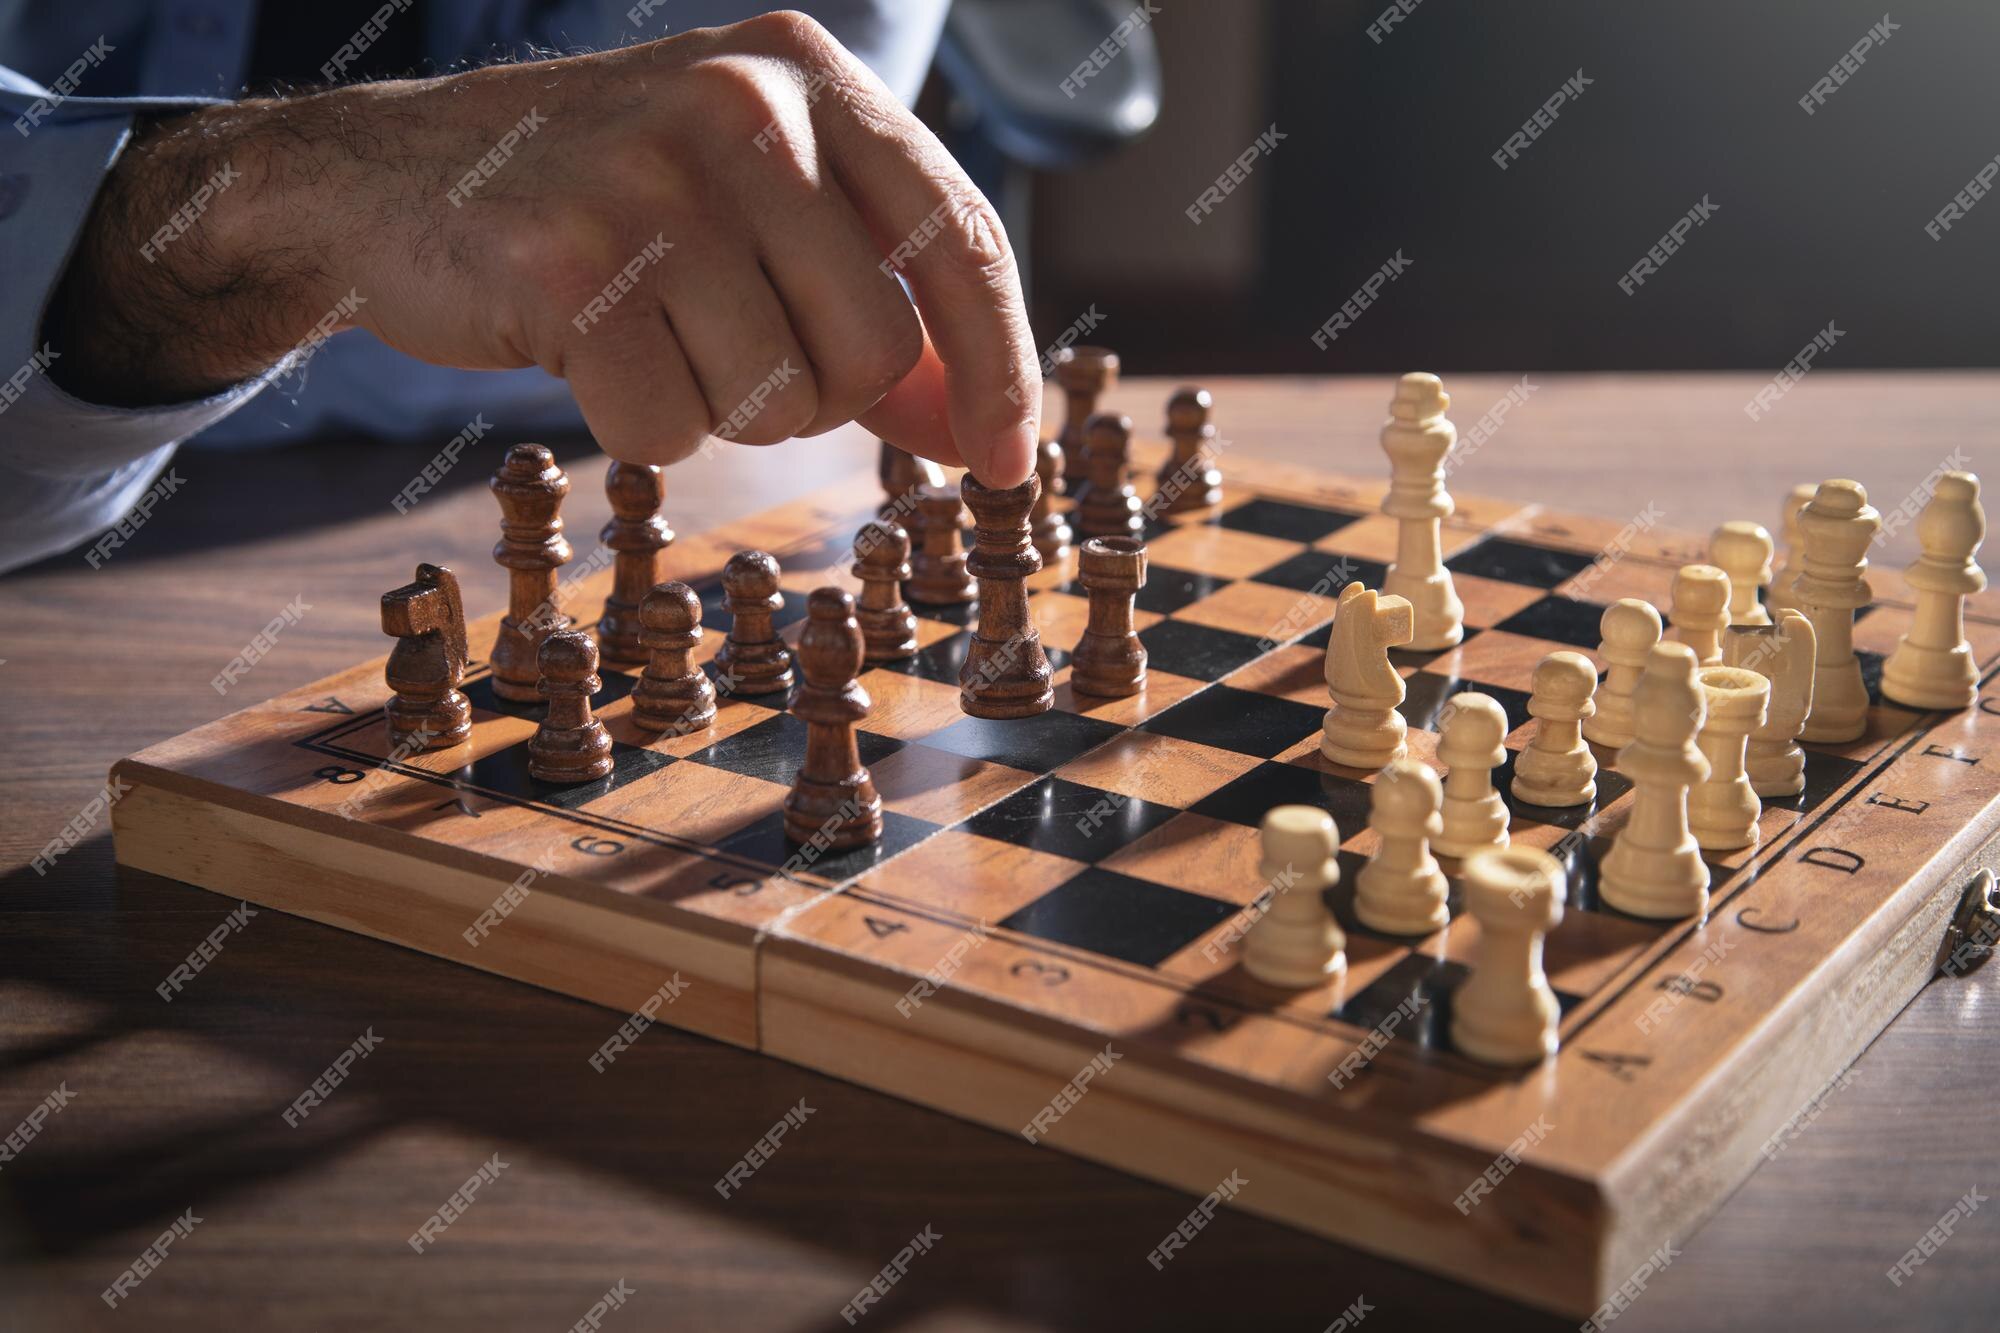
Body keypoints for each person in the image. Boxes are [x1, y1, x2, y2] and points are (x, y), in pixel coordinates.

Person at [0, 3, 1038, 574]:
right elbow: (572, 271)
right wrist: (260, 211)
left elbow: (655, 250)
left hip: (487, 488)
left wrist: (191, 256)